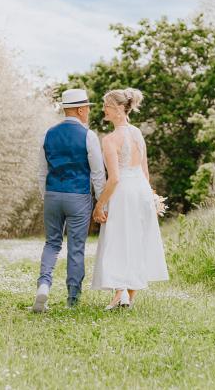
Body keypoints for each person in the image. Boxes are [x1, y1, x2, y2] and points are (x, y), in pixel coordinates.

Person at [91, 88, 169, 310]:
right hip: (142, 190)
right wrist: (152, 197)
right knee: (137, 239)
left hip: (124, 192)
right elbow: (145, 171)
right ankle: (128, 295)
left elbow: (114, 178)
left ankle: (119, 293)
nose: (103, 109)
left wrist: (99, 205)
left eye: (106, 105)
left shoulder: (110, 139)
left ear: (116, 109)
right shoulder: (137, 133)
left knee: (118, 240)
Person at [33, 89, 106, 312]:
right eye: (88, 108)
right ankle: (73, 299)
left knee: (52, 243)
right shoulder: (88, 135)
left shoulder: (48, 134)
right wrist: (102, 202)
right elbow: (97, 174)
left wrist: (48, 196)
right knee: (76, 248)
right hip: (78, 197)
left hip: (53, 195)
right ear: (81, 109)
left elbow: (41, 172)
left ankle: (44, 284)